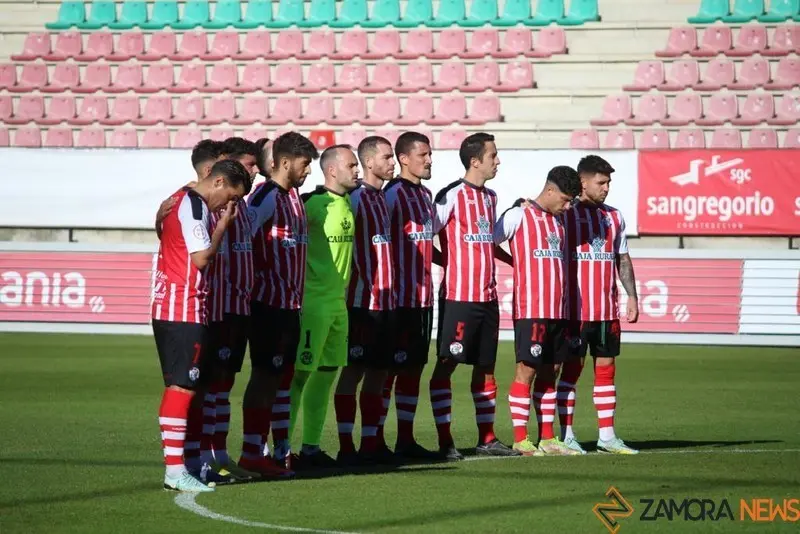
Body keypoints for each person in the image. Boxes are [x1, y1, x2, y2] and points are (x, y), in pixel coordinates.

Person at [152, 159, 250, 492]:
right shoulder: (194, 205)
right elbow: (201, 258)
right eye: (231, 197)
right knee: (181, 387)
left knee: (187, 387)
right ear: (219, 182)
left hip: (182, 307)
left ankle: (184, 466)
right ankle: (174, 471)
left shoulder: (182, 201)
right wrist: (222, 226)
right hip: (182, 308)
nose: (229, 205)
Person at [430, 133, 519, 459]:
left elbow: (487, 242)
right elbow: (425, 236)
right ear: (475, 161)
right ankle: (445, 441)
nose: (498, 161)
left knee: (486, 368)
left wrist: (515, 262)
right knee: (446, 365)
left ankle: (487, 439)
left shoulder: (491, 197)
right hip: (459, 297)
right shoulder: (451, 195)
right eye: (493, 155)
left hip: (488, 298)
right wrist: (448, 262)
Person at [243, 132, 318, 475]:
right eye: (305, 164)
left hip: (291, 307)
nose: (308, 171)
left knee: (283, 380)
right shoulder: (266, 196)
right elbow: (241, 237)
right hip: (267, 307)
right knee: (264, 378)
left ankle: (281, 451)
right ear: (285, 162)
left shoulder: (295, 197)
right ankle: (252, 451)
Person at [494, 165, 583, 456]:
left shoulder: (560, 221)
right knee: (527, 369)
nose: (568, 207)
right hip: (531, 309)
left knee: (552, 370)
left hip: (559, 310)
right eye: (565, 200)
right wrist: (513, 260)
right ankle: (521, 438)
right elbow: (489, 242)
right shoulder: (518, 215)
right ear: (550, 190)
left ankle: (548, 438)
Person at [558, 155, 640, 455]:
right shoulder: (565, 214)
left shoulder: (614, 217)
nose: (606, 188)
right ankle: (566, 435)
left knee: (606, 369)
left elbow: (622, 259)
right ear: (583, 182)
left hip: (606, 310)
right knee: (571, 371)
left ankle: (607, 436)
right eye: (601, 182)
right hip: (575, 311)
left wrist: (631, 295)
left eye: (609, 183)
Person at [290, 144, 359, 469]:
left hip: (338, 305)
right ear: (332, 170)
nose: (357, 170)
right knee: (299, 377)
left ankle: (311, 448)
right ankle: (280, 450)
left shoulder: (347, 203)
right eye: (351, 165)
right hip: (313, 305)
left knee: (326, 376)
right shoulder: (312, 205)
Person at [333, 136, 397, 465]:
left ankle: (371, 444)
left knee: (379, 373)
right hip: (360, 303)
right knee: (353, 371)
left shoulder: (382, 198)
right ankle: (346, 446)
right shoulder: (355, 198)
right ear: (368, 162)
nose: (392, 163)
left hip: (386, 303)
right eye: (387, 157)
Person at [380, 132, 440, 461]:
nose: (429, 160)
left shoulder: (426, 194)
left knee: (414, 369)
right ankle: (376, 439)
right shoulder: (391, 195)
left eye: (430, 154)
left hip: (423, 300)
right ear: (404, 158)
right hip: (398, 300)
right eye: (423, 155)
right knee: (388, 370)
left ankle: (405, 439)